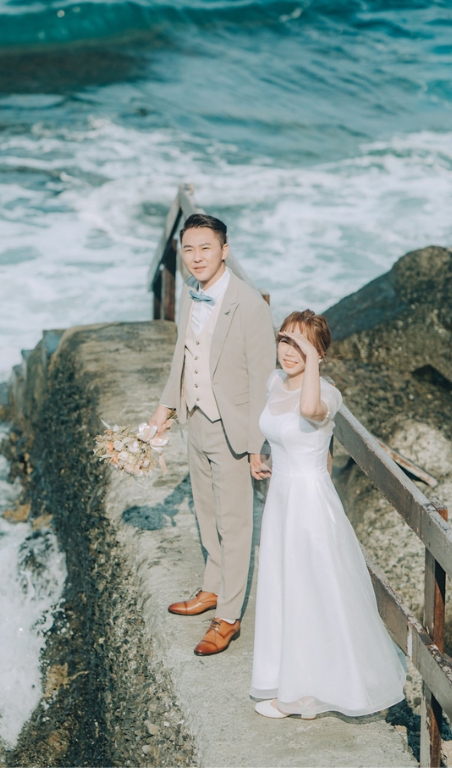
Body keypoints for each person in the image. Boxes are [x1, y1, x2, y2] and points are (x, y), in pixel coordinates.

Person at [249, 310, 406, 719]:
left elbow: (309, 411)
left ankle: (306, 694)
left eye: (299, 344)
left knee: (311, 591)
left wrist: (311, 361)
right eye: (284, 340)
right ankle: (298, 688)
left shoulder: (327, 395)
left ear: (318, 352)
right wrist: (261, 453)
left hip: (309, 503)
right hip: (280, 496)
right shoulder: (274, 381)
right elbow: (279, 429)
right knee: (286, 588)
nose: (288, 351)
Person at [147, 213, 276, 656]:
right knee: (206, 512)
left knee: (235, 523)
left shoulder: (251, 305)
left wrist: (259, 444)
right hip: (195, 418)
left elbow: (264, 378)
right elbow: (182, 358)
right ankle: (212, 588)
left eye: (206, 248)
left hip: (234, 428)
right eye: (189, 249)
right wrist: (165, 408)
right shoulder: (191, 293)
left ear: (224, 250)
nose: (197, 257)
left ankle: (229, 617)